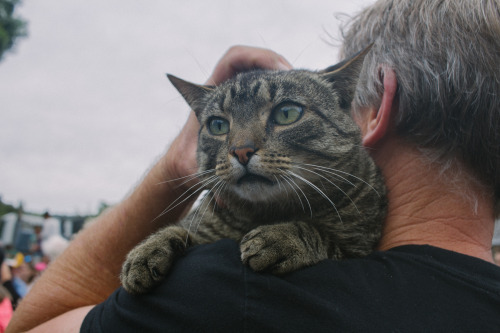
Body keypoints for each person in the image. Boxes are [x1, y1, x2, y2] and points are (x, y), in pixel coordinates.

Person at [8, 0, 500, 331]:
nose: (242, 148)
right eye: (220, 127)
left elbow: (31, 325)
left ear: (373, 111)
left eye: (287, 113)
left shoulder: (235, 287)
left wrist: (173, 170)